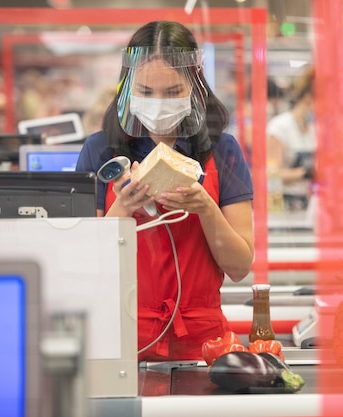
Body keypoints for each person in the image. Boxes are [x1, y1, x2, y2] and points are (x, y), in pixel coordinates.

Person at [75, 21, 254, 362]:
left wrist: (206, 209)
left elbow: (240, 266)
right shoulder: (101, 151)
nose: (158, 103)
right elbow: (85, 263)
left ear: (195, 85)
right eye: (145, 91)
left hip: (206, 345)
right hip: (123, 339)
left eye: (172, 92)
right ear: (127, 89)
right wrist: (123, 208)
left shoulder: (223, 151)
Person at [266, 66, 316, 211]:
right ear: (309, 98)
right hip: (283, 205)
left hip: (308, 203)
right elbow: (272, 175)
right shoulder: (279, 127)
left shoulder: (314, 128)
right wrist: (306, 173)